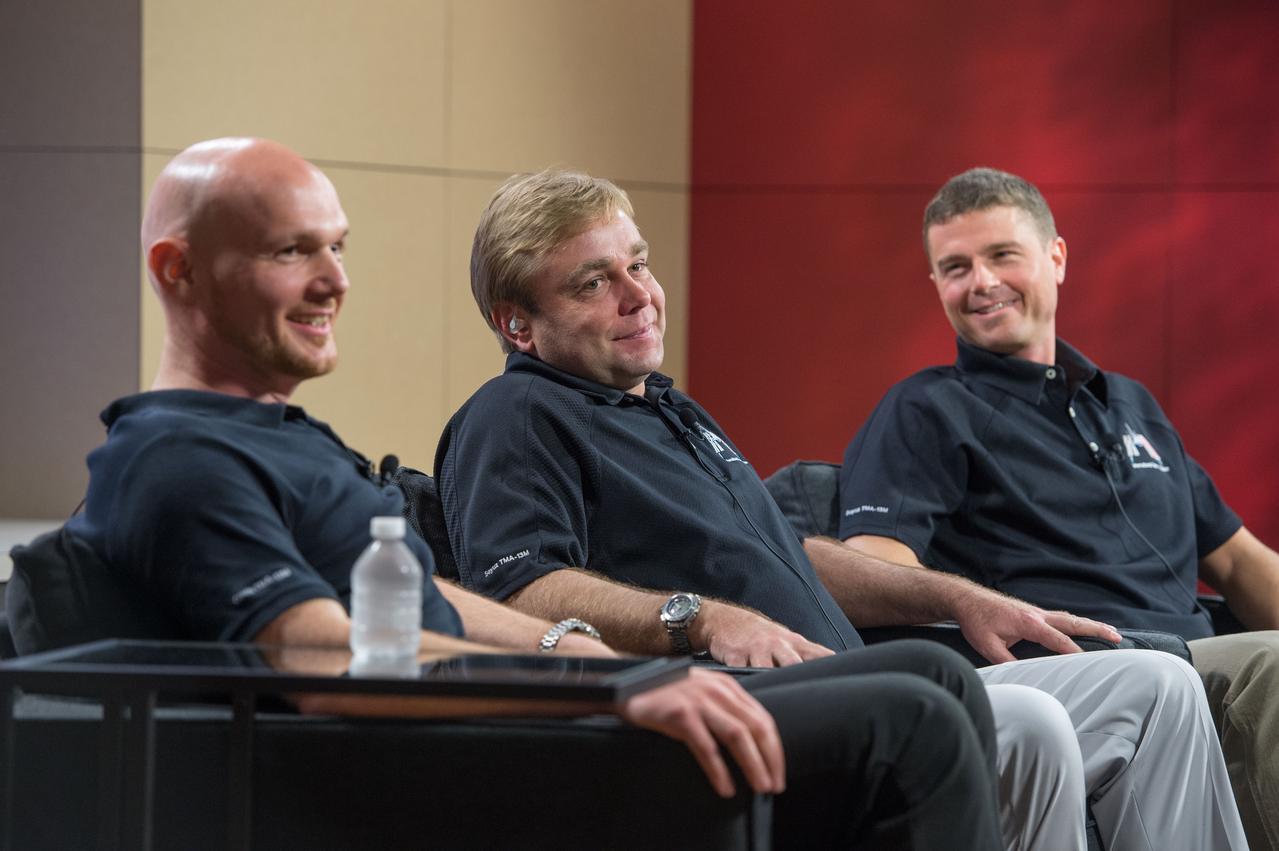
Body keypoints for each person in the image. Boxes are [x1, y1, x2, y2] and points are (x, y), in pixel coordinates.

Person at [48, 137, 1011, 848]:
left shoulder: (281, 436)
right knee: (911, 721)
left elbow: (422, 590)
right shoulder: (175, 457)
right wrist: (610, 682)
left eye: (335, 246)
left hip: (515, 719)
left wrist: (566, 645)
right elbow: (319, 653)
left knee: (929, 677)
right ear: (176, 270)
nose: (334, 280)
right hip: (446, 769)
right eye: (290, 252)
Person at [438, 166, 1250, 851]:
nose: (639, 294)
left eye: (637, 264)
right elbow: (517, 590)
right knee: (1034, 724)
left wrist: (958, 595)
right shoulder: (514, 416)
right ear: (519, 325)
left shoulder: (667, 409)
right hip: (745, 706)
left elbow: (793, 550)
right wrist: (701, 619)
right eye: (593, 282)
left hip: (856, 671)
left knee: (1157, 688)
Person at [838, 165, 1279, 850]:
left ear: (1055, 257)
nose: (978, 282)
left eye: (1000, 255)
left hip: (1192, 653)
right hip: (1091, 663)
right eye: (954, 267)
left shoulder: (1128, 404)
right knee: (1274, 665)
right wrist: (965, 602)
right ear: (935, 286)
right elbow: (870, 565)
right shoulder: (925, 409)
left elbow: (1239, 558)